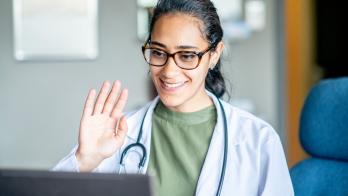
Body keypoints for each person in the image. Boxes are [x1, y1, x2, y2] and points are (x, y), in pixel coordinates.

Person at [54, 0, 294, 195]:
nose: (168, 71)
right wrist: (83, 160)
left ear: (214, 55)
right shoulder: (119, 134)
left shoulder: (258, 140)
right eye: (158, 52)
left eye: (187, 55)